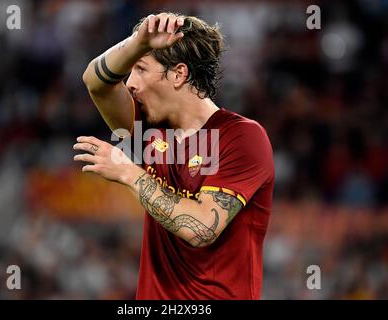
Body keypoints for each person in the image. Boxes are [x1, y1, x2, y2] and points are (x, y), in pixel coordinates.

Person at [73, 12, 274, 299]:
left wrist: (129, 172)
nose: (130, 82)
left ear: (179, 74)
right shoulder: (149, 128)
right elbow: (95, 82)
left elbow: (202, 228)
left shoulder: (242, 137)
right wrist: (137, 44)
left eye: (141, 69)